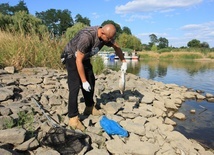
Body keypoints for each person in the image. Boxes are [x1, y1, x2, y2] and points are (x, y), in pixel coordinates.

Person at [62, 23, 127, 131]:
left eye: (111, 38)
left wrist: (123, 61)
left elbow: (117, 47)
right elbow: (78, 60)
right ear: (102, 32)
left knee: (91, 80)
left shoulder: (106, 36)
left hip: (84, 58)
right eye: (108, 38)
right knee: (74, 86)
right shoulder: (87, 37)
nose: (109, 41)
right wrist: (83, 81)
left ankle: (89, 107)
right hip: (71, 56)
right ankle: (73, 118)